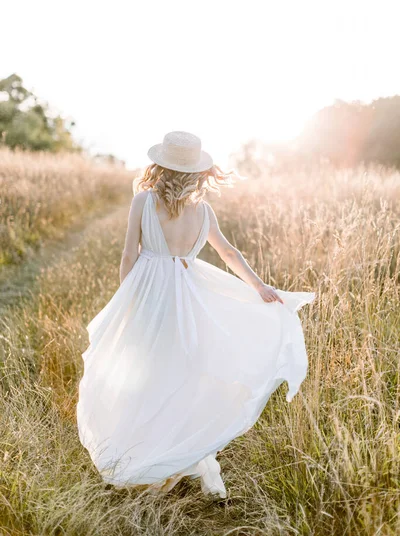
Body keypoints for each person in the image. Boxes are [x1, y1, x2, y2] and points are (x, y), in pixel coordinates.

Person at [76, 131, 316, 499]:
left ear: (161, 166)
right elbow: (229, 253)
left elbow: (128, 256)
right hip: (187, 298)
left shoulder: (143, 201)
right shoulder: (203, 211)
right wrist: (259, 287)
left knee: (144, 374)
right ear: (197, 172)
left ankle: (151, 461)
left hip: (148, 294)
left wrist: (129, 300)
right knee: (179, 375)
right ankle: (169, 459)